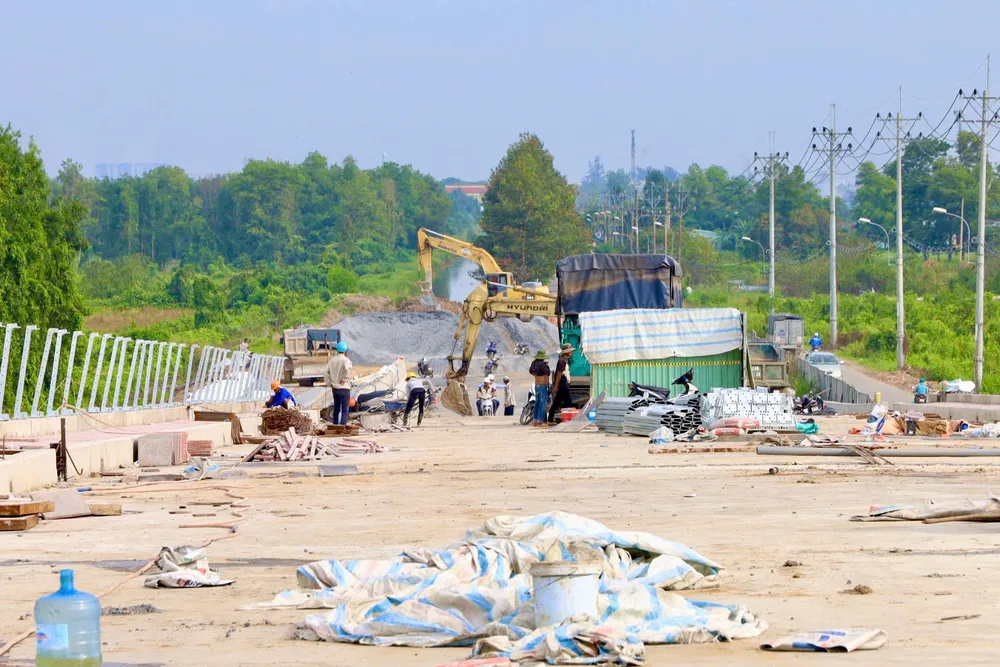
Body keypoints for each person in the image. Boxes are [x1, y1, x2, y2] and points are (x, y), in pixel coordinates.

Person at [325, 341, 353, 425]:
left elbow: (325, 373)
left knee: (336, 407)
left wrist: (330, 383)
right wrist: (344, 379)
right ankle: (343, 425)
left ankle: (335, 425)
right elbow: (347, 370)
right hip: (344, 388)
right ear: (345, 351)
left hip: (335, 388)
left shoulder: (332, 361)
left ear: (337, 350)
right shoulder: (346, 360)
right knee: (345, 408)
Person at [547, 343, 575, 424]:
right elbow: (559, 373)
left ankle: (550, 419)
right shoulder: (562, 361)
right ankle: (568, 420)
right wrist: (556, 386)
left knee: (557, 402)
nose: (571, 353)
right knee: (568, 402)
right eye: (570, 351)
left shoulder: (564, 360)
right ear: (567, 352)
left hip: (564, 384)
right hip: (563, 384)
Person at [529, 350, 551, 426]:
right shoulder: (542, 364)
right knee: (542, 403)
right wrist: (547, 366)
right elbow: (548, 372)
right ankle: (540, 421)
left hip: (537, 384)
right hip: (542, 385)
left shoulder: (534, 363)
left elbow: (531, 371)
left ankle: (535, 419)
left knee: (537, 403)